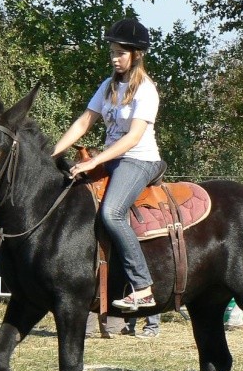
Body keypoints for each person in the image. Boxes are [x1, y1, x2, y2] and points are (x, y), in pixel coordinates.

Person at [52, 17, 165, 312]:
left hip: (138, 160)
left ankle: (143, 286)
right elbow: (83, 123)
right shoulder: (107, 86)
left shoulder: (146, 91)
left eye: (120, 52)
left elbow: (133, 137)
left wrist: (96, 161)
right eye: (112, 52)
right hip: (112, 159)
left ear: (136, 54)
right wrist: (52, 155)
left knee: (113, 213)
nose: (114, 58)